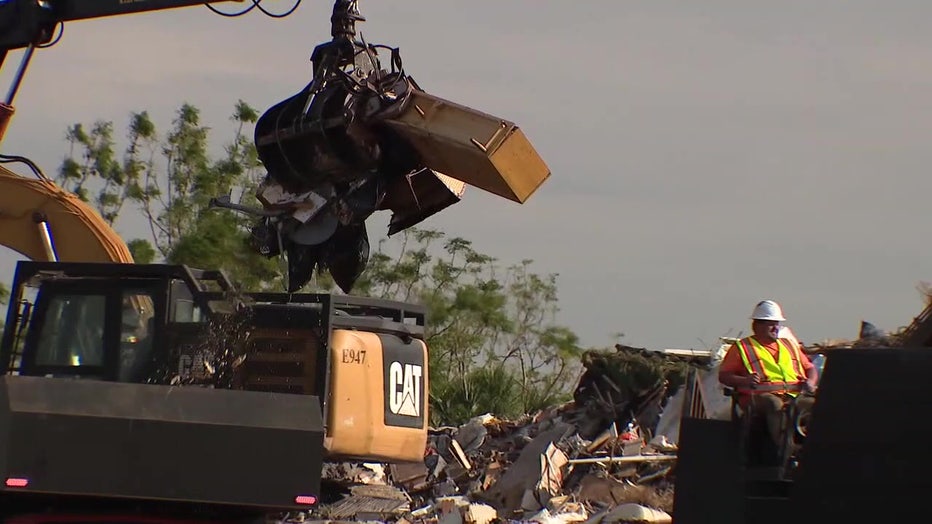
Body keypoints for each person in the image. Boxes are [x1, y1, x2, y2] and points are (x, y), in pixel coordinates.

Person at [718, 299, 819, 451]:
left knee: (817, 406)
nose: (776, 328)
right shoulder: (742, 347)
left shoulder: (789, 345)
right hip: (758, 398)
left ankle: (816, 449)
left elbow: (810, 368)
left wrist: (811, 382)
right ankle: (786, 450)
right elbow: (724, 376)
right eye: (771, 324)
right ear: (757, 325)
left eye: (777, 323)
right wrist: (745, 380)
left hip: (793, 396)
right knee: (774, 404)